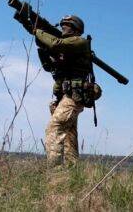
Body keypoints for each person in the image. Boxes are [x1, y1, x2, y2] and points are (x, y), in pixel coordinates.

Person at [33, 15, 92, 168]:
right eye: (62, 24)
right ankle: (72, 174)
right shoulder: (67, 50)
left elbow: (55, 44)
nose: (63, 27)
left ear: (75, 28)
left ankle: (55, 174)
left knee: (54, 129)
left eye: (66, 24)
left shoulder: (79, 41)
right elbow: (49, 65)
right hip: (65, 96)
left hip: (73, 96)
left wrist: (38, 31)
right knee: (69, 137)